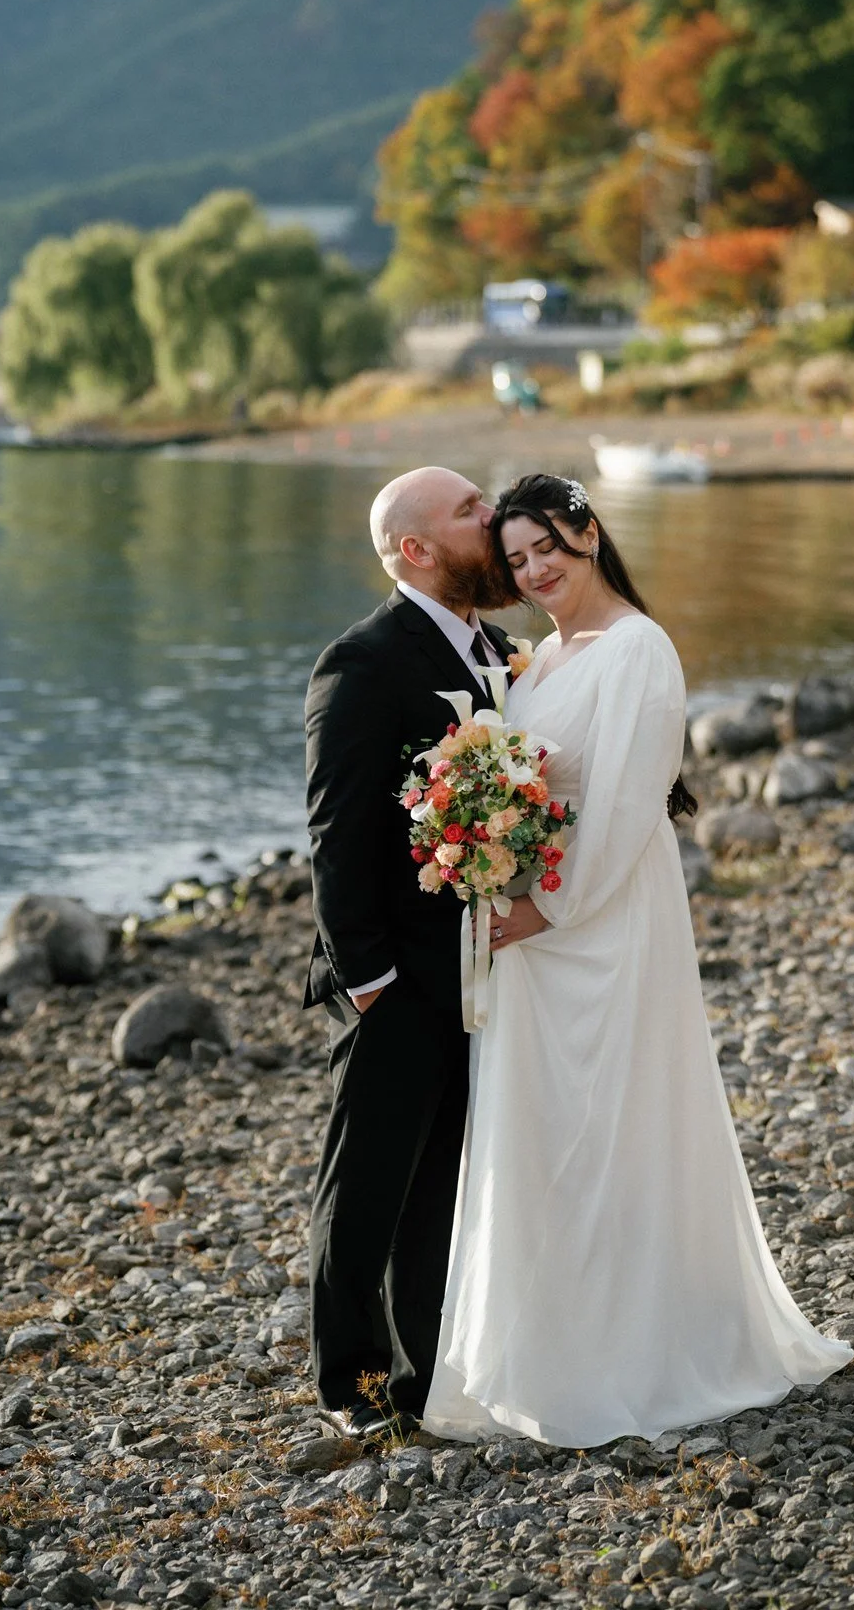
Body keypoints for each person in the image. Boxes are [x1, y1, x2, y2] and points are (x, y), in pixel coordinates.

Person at [423, 471, 852, 1446]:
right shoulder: (543, 660)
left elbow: (620, 802)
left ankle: (640, 1350)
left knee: (611, 1117)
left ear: (589, 531)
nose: (536, 572)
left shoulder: (639, 650)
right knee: (544, 1125)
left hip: (604, 922)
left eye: (549, 550)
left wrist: (541, 905)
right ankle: (546, 1345)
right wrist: (485, 847)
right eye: (518, 559)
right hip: (537, 929)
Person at [303, 465, 515, 1439]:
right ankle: (350, 1377)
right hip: (395, 979)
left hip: (482, 972)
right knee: (369, 1181)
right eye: (473, 509)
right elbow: (337, 834)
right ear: (417, 549)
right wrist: (370, 980)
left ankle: (429, 1371)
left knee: (445, 1180)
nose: (496, 517)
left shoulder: (500, 651)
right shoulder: (362, 661)